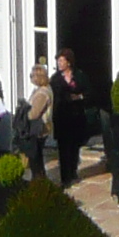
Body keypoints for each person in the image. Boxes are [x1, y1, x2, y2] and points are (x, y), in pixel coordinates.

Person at [49, 49, 88, 189]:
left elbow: (88, 93)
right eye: (58, 61)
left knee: (74, 146)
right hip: (61, 117)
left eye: (61, 61)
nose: (59, 64)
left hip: (76, 117)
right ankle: (65, 178)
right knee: (63, 148)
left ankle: (73, 172)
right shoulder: (55, 79)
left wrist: (79, 97)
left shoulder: (79, 76)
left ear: (69, 62)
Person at [19, 61, 55, 181]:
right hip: (41, 129)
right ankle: (40, 181)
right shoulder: (43, 90)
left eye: (32, 75)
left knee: (35, 159)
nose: (31, 78)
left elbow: (34, 114)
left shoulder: (42, 93)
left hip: (38, 130)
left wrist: (23, 113)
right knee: (37, 158)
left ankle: (39, 182)